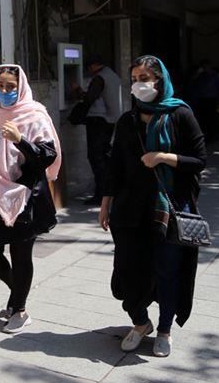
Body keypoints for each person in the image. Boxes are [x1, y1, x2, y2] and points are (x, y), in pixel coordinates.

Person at [99, 55, 206, 358]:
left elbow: (199, 160)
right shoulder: (128, 120)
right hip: (129, 210)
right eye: (134, 79)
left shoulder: (180, 114)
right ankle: (140, 322)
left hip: (168, 209)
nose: (138, 84)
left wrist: (163, 157)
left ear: (160, 81)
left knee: (167, 271)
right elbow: (115, 167)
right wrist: (105, 204)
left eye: (145, 78)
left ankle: (164, 330)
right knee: (127, 270)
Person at [0, 65, 61, 334]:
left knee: (20, 254)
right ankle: (17, 293)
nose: (5, 91)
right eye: (1, 86)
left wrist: (20, 140)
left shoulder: (34, 116)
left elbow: (47, 156)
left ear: (21, 87)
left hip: (25, 196)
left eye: (10, 86)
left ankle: (19, 310)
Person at [79, 56, 123, 205]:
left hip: (99, 120)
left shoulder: (100, 78)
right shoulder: (113, 75)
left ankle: (101, 194)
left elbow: (90, 98)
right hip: (110, 120)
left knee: (96, 158)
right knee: (104, 157)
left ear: (93, 65)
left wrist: (77, 93)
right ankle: (109, 191)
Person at [183, 60, 219, 143]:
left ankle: (214, 135)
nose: (205, 68)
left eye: (206, 66)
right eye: (203, 66)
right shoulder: (199, 76)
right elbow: (191, 85)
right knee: (203, 119)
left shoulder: (215, 75)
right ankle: (206, 135)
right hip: (201, 100)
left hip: (211, 100)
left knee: (213, 119)